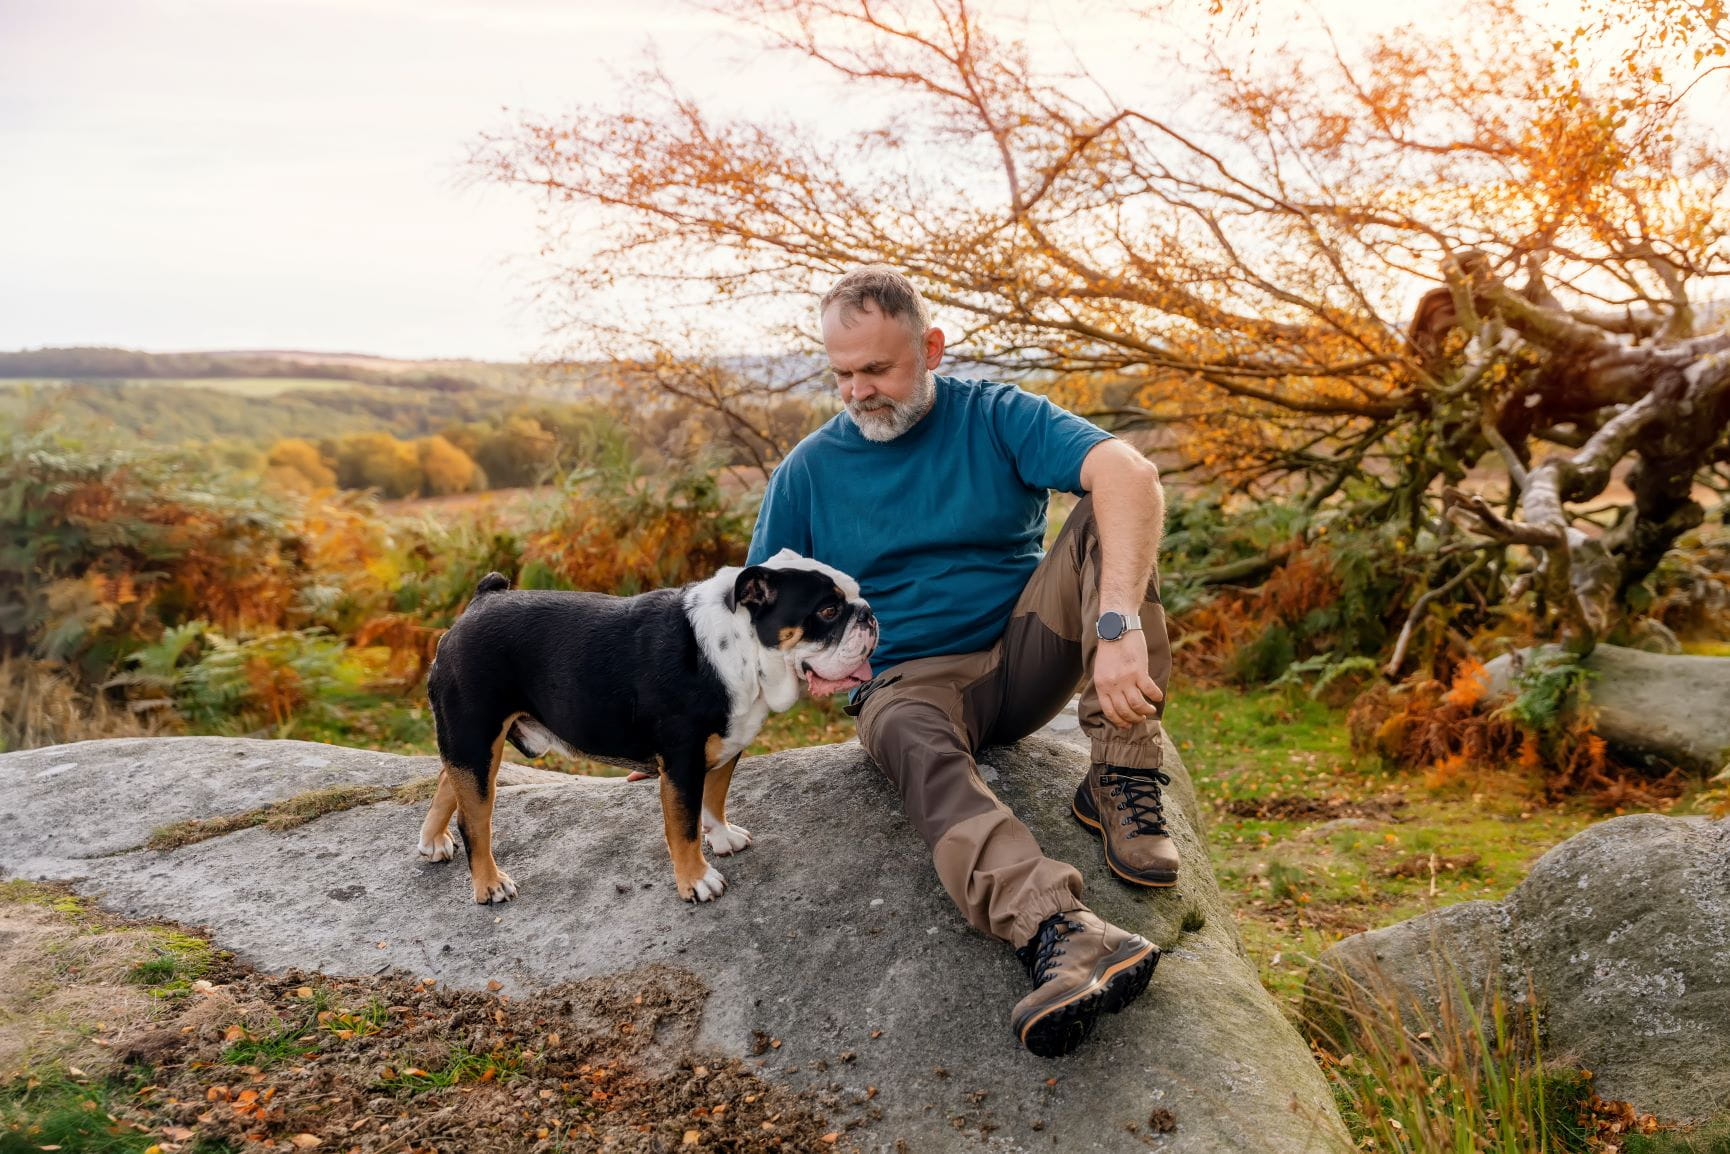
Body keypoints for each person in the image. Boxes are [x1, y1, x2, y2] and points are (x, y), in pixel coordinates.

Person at [746, 266, 1175, 1058]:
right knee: (905, 736)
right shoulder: (807, 471)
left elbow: (1130, 474)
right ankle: (1061, 931)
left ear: (932, 348)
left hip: (1024, 650)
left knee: (1110, 516)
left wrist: (1114, 625)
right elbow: (756, 613)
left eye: (877, 369)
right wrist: (694, 715)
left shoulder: (994, 415)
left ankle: (1121, 772)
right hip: (905, 679)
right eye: (842, 374)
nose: (858, 392)